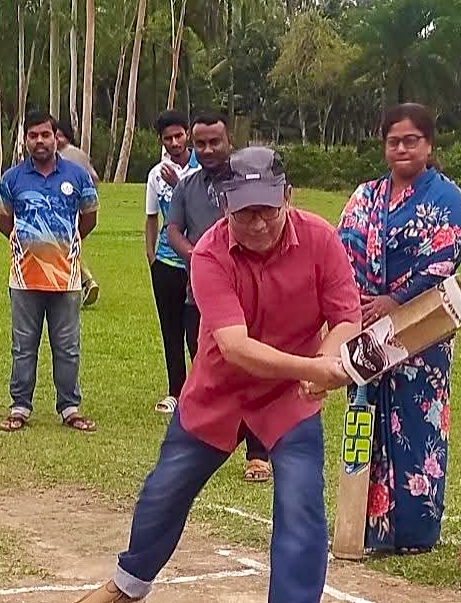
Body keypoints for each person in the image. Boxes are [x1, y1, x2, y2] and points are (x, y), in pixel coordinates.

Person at [75, 147, 361, 603]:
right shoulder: (208, 252)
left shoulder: (321, 239)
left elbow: (347, 316)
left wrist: (326, 361)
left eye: (268, 209)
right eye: (246, 213)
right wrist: (315, 367)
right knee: (165, 491)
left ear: (288, 195)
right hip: (219, 390)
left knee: (301, 504)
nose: (260, 224)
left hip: (290, 398)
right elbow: (235, 346)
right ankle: (128, 587)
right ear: (224, 203)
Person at [336, 103, 461, 554]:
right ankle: (367, 526)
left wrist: (396, 300)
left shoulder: (446, 198)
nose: (402, 149)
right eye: (394, 141)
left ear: (429, 145)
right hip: (366, 328)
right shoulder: (365, 195)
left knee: (417, 425)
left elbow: (445, 256)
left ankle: (414, 531)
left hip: (422, 333)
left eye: (411, 140)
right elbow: (343, 249)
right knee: (366, 421)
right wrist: (359, 305)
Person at [167, 111, 272, 483]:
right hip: (204, 299)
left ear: (229, 142)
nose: (208, 149)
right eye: (201, 143)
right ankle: (212, 445)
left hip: (253, 297)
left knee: (257, 371)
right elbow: (173, 229)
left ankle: (258, 453)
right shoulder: (186, 186)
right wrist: (197, 257)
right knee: (214, 373)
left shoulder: (249, 184)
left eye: (215, 141)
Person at [0, 111, 99, 433]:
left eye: (45, 134)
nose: (39, 141)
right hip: (24, 278)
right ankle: (19, 406)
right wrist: (30, 246)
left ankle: (69, 407)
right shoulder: (12, 178)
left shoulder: (76, 176)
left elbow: (89, 218)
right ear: (25, 139)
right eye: (33, 135)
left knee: (67, 346)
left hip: (66, 278)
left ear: (57, 138)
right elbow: (3, 221)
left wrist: (62, 246)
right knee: (23, 346)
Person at [144, 110, 200, 414]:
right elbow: (152, 217)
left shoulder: (204, 170)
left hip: (198, 262)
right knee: (171, 330)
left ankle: (202, 390)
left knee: (198, 331)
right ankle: (175, 391)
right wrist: (151, 255)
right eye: (168, 138)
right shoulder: (156, 174)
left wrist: (179, 183)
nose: (175, 142)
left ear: (187, 134)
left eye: (179, 136)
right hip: (166, 263)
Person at [55, 119, 100, 307]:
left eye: (57, 135)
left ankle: (86, 281)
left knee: (62, 247)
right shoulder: (80, 153)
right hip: (84, 209)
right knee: (67, 247)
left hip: (65, 209)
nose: (55, 140)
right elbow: (95, 178)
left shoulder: (60, 157)